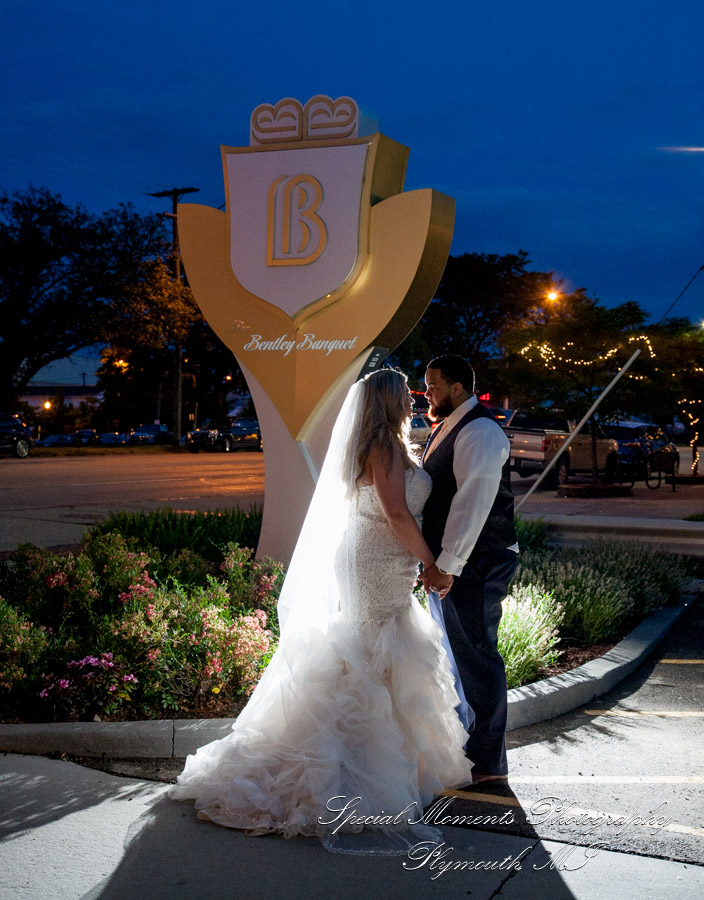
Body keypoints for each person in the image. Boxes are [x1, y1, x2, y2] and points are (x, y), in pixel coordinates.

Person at [170, 368, 474, 853]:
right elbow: (396, 512)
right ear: (388, 401)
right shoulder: (383, 446)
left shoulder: (383, 445)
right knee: (370, 650)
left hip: (381, 556)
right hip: (374, 559)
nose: (412, 401)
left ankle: (389, 763)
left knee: (375, 647)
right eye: (404, 395)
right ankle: (347, 772)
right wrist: (432, 563)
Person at [420, 355, 518, 784]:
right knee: (457, 655)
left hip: (478, 562)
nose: (427, 393)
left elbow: (472, 502)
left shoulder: (479, 430)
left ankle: (489, 763)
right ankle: (468, 748)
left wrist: (447, 565)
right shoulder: (448, 426)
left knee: (477, 657)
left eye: (434, 386)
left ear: (458, 387)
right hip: (457, 563)